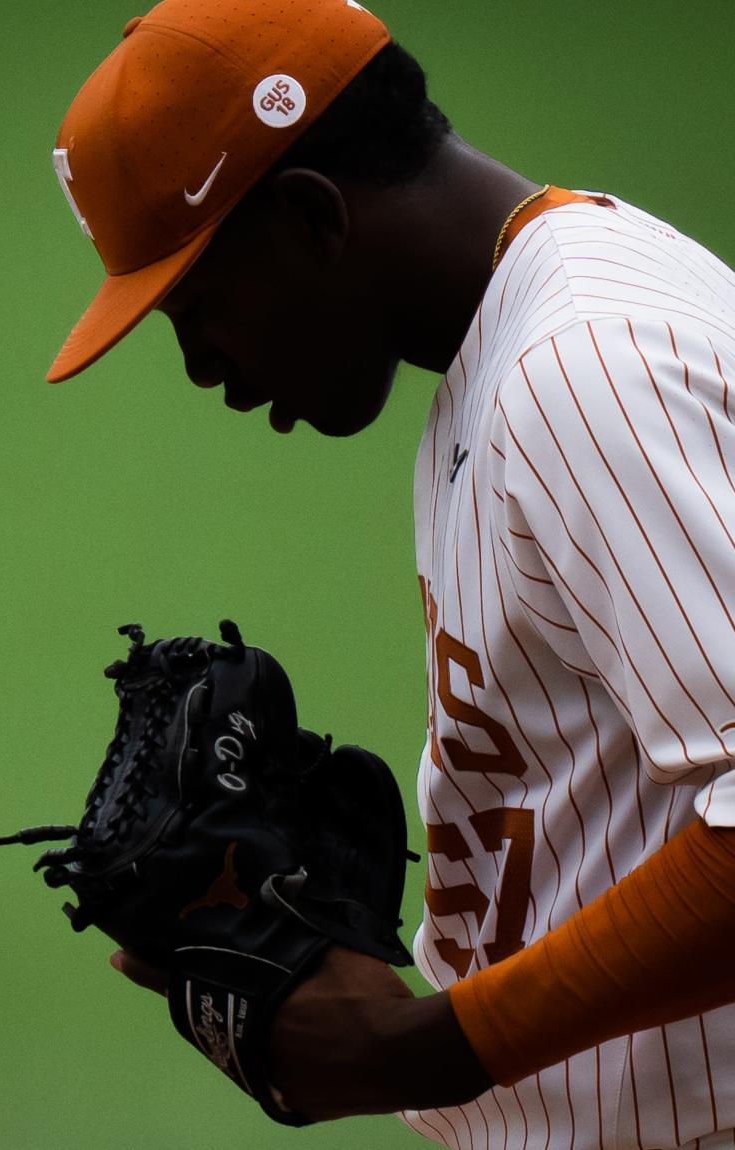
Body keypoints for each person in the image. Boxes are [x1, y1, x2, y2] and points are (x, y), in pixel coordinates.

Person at [43, 1, 735, 1145]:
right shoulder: (519, 346)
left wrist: (425, 1044)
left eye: (198, 305)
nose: (201, 364)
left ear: (312, 217)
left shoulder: (584, 369)